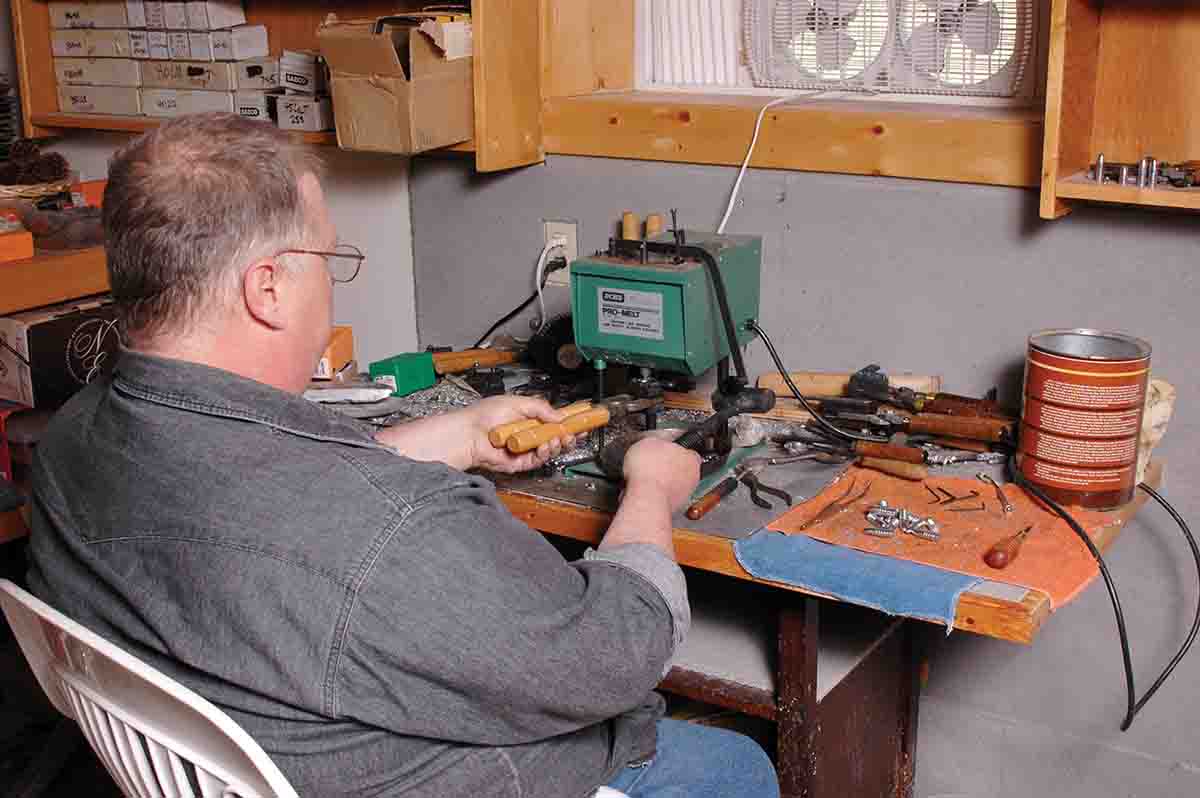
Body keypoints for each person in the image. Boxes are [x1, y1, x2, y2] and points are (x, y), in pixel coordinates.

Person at [27, 114, 779, 798]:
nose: (332, 281)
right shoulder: (391, 535)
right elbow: (617, 654)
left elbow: (255, 477)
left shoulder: (72, 437)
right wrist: (650, 489)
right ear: (268, 289)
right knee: (736, 765)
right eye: (327, 255)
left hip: (263, 755)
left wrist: (443, 439)